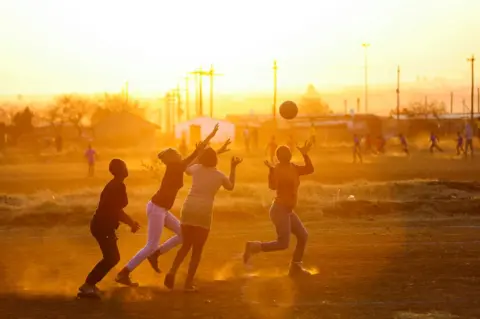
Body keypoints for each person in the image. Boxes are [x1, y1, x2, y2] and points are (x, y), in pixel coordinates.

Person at [115, 125, 227, 286]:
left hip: (161, 209)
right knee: (151, 244)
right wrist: (211, 135)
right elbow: (198, 154)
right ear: (174, 158)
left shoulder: (177, 167)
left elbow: (202, 159)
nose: (181, 155)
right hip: (156, 209)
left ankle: (156, 255)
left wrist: (217, 150)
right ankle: (124, 273)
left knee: (183, 235)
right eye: (177, 154)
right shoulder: (176, 166)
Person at [164, 148, 242, 292]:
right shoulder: (219, 175)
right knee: (197, 250)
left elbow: (186, 169)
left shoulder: (197, 169)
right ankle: (188, 283)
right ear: (216, 160)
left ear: (202, 159)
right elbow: (230, 187)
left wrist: (198, 156)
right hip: (203, 213)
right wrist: (233, 167)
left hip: (188, 208)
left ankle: (172, 271)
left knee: (185, 245)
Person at [243, 141, 314, 278]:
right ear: (279, 157)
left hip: (286, 211)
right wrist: (271, 171)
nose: (287, 154)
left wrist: (305, 154)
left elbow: (310, 169)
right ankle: (253, 247)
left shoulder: (293, 167)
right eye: (284, 153)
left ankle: (295, 267)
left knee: (303, 236)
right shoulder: (278, 169)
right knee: (283, 243)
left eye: (287, 152)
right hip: (279, 210)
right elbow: (272, 187)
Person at [78, 159, 140, 298]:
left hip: (102, 225)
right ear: (120, 171)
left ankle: (90, 285)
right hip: (102, 226)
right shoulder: (117, 186)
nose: (127, 168)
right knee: (112, 257)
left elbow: (115, 210)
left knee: (111, 257)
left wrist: (130, 223)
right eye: (124, 166)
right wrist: (131, 223)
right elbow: (117, 211)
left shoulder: (115, 185)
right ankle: (88, 285)